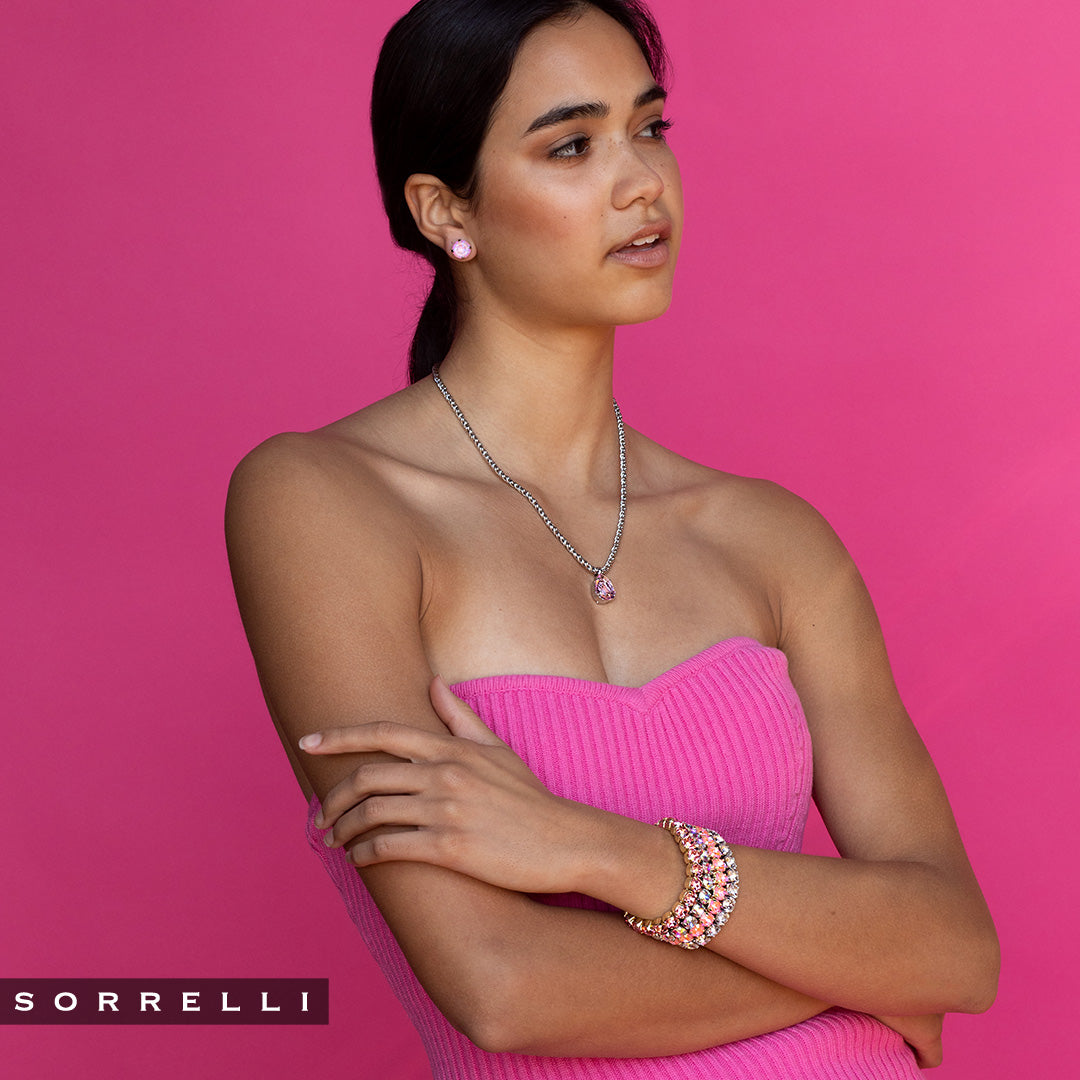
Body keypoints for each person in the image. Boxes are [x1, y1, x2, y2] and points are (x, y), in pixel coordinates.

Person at [225, 1, 999, 1075]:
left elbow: (959, 948)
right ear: (446, 208)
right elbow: (506, 987)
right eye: (572, 146)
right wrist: (863, 969)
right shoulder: (324, 502)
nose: (642, 182)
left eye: (651, 128)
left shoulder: (772, 540)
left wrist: (600, 850)